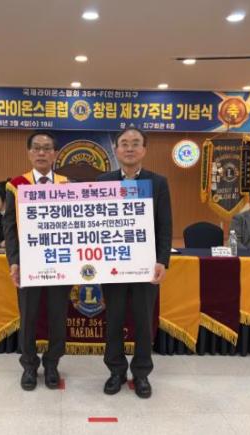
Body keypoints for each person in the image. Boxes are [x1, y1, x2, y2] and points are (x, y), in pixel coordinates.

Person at [97, 127, 172, 399]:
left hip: (145, 266)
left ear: (144, 149)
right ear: (116, 150)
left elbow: (165, 225)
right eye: (124, 143)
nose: (130, 148)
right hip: (113, 266)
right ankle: (116, 371)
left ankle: (141, 373)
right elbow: (95, 223)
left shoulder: (158, 182)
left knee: (143, 321)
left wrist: (162, 260)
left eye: (135, 143)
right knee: (114, 320)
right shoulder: (103, 181)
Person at [4, 132, 71, 391]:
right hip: (28, 263)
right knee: (28, 317)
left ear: (55, 154)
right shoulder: (16, 185)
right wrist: (14, 261)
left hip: (60, 262)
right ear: (29, 153)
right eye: (36, 148)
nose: (41, 153)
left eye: (47, 148)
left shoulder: (67, 185)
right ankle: (29, 365)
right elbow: (10, 228)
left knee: (58, 316)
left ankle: (52, 363)